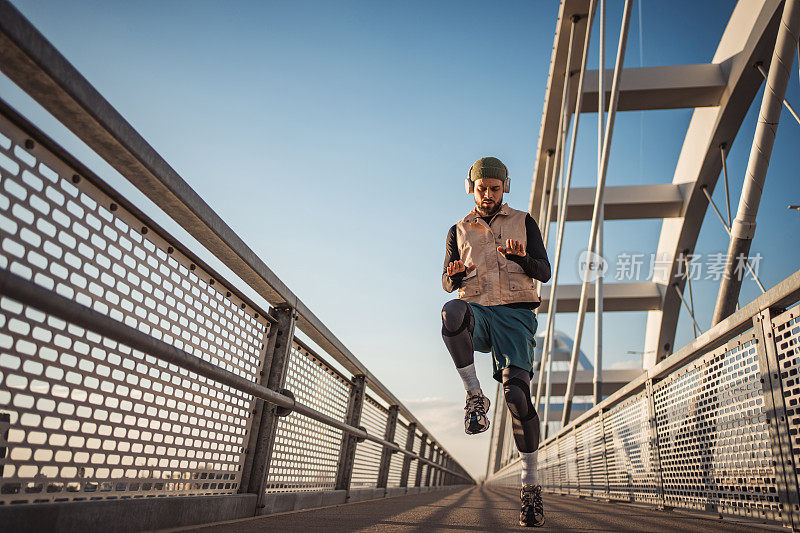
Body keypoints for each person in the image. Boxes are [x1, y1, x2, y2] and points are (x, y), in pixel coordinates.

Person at [441, 156, 550, 527]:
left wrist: (523, 258)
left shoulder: (524, 221)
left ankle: (530, 485)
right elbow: (446, 280)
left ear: (505, 187)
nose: (488, 194)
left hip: (517, 315)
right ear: (470, 187)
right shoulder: (458, 229)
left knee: (517, 396)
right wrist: (453, 278)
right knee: (450, 313)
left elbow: (545, 271)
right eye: (481, 188)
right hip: (478, 310)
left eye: (495, 188)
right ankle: (474, 394)